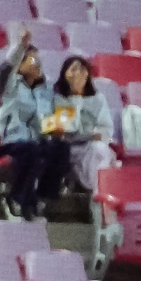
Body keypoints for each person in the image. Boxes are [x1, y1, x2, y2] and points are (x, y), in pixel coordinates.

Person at [0, 38, 74, 219]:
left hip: (36, 142)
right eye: (31, 59)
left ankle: (41, 197)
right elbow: (6, 67)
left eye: (37, 59)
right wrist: (21, 46)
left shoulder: (45, 91)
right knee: (31, 149)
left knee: (61, 148)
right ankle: (16, 198)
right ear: (20, 66)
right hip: (9, 142)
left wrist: (58, 125)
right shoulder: (11, 87)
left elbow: (49, 121)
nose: (37, 63)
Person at [50, 54, 112, 193]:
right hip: (66, 147)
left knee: (100, 149)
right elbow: (69, 129)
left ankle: (99, 193)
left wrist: (94, 135)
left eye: (82, 70)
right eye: (73, 69)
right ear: (65, 74)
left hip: (89, 147)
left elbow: (105, 128)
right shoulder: (58, 99)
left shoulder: (98, 99)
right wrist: (76, 96)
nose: (78, 73)